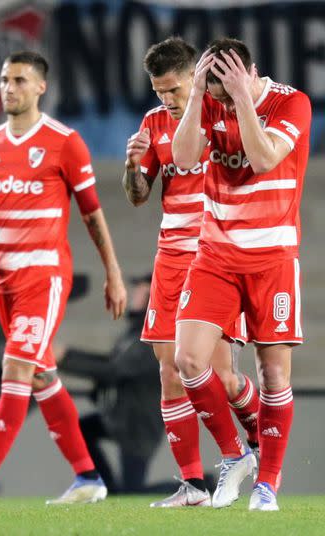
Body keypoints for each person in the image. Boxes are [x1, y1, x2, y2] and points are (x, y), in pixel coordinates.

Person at [0, 50, 127, 505]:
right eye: (3, 79)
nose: (8, 88)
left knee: (16, 365)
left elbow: (93, 215)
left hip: (44, 275)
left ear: (41, 87)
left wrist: (113, 273)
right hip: (4, 281)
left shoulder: (64, 142)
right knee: (40, 376)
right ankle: (88, 477)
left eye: (19, 80)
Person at [171, 37, 311, 511]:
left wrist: (243, 102)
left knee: (273, 374)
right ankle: (234, 454)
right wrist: (196, 98)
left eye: (229, 91)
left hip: (273, 260)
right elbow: (186, 158)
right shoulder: (209, 101)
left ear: (252, 73)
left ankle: (267, 484)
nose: (223, 104)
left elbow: (264, 157)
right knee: (188, 361)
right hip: (216, 256)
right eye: (217, 95)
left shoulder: (292, 102)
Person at [122, 37, 260, 507]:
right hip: (170, 257)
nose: (166, 99)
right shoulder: (153, 123)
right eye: (159, 91)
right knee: (169, 372)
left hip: (216, 256)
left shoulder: (219, 115)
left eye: (174, 89)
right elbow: (139, 195)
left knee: (221, 376)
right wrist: (130, 166)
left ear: (193, 78)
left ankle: (260, 444)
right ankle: (195, 485)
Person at [58, 274, 161, 494]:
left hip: (138, 425)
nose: (133, 295)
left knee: (133, 493)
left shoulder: (152, 335)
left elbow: (115, 370)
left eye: (141, 290)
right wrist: (66, 358)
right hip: (122, 418)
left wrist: (66, 358)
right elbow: (112, 365)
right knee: (81, 430)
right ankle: (106, 488)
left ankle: (203, 485)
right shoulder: (136, 332)